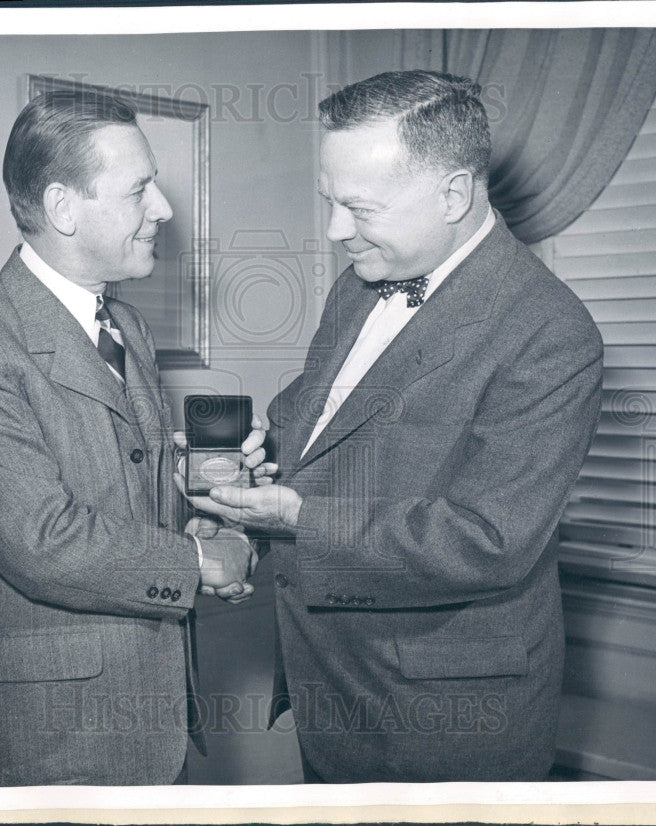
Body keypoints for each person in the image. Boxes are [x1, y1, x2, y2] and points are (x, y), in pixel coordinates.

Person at [183, 70, 604, 782]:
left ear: (454, 194)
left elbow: (490, 541)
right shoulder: (359, 284)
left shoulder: (549, 331)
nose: (335, 231)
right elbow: (311, 428)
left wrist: (299, 516)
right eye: (329, 202)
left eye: (360, 208)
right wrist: (256, 464)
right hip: (333, 692)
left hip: (442, 721)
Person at [0, 90, 262, 786]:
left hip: (156, 724)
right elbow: (45, 544)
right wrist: (201, 562)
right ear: (63, 207)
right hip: (52, 744)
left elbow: (129, 500)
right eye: (139, 190)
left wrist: (213, 503)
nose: (162, 208)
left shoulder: (125, 327)